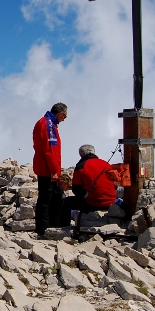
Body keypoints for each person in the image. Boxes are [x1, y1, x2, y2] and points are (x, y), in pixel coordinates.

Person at [32, 102, 68, 237]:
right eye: (64, 116)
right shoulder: (49, 125)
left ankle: (50, 225)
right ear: (60, 113)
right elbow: (50, 150)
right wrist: (54, 170)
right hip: (48, 169)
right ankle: (44, 229)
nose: (64, 119)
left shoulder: (43, 122)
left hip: (43, 166)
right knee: (47, 199)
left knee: (54, 196)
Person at [61, 144, 116, 226]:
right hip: (111, 201)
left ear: (81, 155)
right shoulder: (107, 164)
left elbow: (76, 190)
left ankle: (64, 226)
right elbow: (115, 185)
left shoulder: (81, 167)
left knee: (66, 202)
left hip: (93, 203)